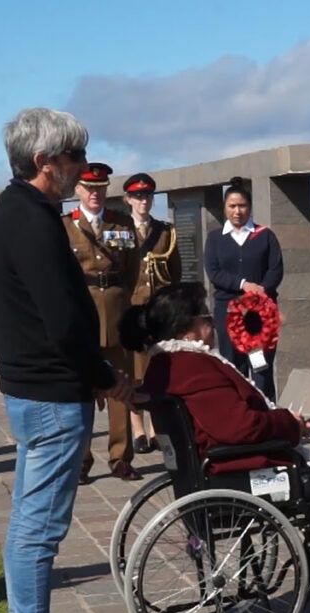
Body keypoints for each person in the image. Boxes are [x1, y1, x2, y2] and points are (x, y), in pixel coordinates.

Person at [0, 107, 131, 613]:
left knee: (30, 527)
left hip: (38, 392)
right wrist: (105, 378)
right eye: (74, 157)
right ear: (45, 162)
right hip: (49, 398)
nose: (82, 167)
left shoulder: (19, 209)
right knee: (36, 534)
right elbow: (65, 324)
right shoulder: (32, 220)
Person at [118, 283, 310, 606]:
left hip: (214, 473)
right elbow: (240, 427)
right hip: (236, 475)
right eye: (206, 318)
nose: (212, 325)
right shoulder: (194, 368)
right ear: (187, 333)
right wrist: (290, 426)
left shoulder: (167, 366)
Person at [62, 162, 142, 483]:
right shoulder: (66, 225)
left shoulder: (121, 223)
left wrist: (122, 300)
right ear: (77, 190)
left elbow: (133, 268)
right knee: (81, 389)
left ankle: (121, 457)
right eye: (89, 188)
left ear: (107, 190)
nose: (95, 194)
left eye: (100, 188)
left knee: (120, 386)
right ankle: (81, 460)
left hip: (117, 310)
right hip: (83, 315)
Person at [203, 177, 283, 401]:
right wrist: (243, 285)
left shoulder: (265, 236)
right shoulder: (215, 239)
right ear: (225, 208)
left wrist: (260, 291)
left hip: (260, 314)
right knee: (233, 368)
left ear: (249, 207)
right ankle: (241, 420)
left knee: (261, 368)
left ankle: (268, 416)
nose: (237, 211)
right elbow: (214, 271)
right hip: (228, 313)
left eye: (242, 206)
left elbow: (275, 269)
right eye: (232, 206)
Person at [124, 173, 182, 452]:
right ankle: (137, 430)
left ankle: (155, 428)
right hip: (133, 309)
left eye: (146, 196)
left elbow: (175, 274)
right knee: (135, 372)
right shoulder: (120, 231)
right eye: (137, 196)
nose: (142, 201)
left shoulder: (165, 232)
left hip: (159, 312)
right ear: (128, 200)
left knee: (158, 371)